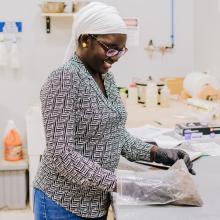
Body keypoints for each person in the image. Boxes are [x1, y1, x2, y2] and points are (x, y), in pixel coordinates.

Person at [33, 2, 195, 220]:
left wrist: (157, 153)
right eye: (110, 48)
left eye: (121, 50)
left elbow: (115, 135)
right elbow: (61, 155)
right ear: (84, 40)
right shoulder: (64, 80)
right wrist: (120, 184)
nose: (115, 57)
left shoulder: (105, 78)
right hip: (63, 202)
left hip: (96, 201)